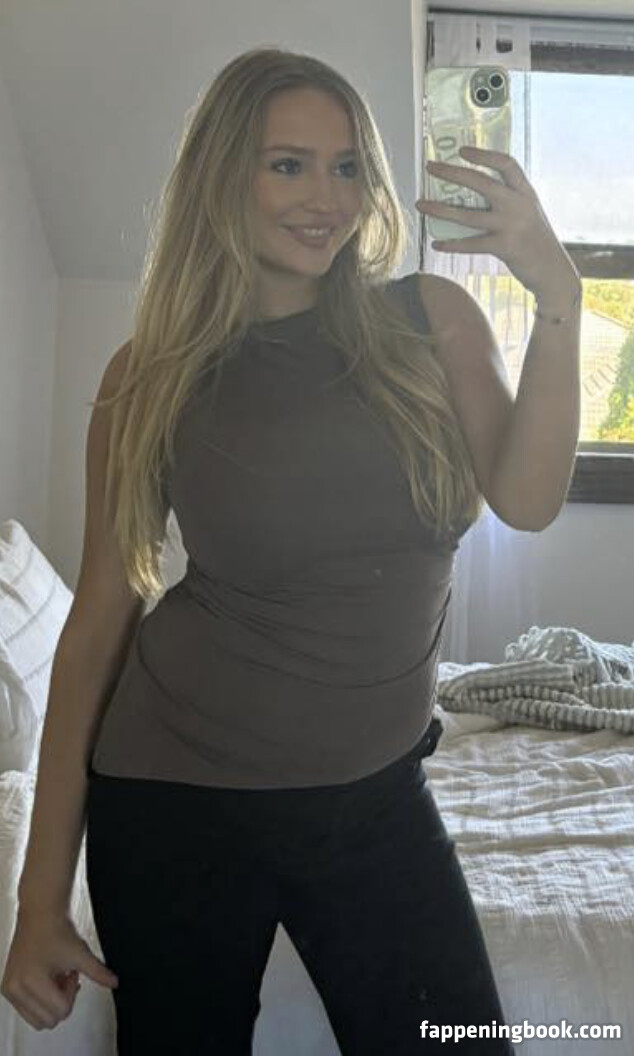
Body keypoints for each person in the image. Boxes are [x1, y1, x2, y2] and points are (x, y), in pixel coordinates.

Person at [1, 46, 519, 1054]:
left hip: (378, 793)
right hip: (175, 799)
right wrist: (38, 898)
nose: (326, 198)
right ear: (222, 176)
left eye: (346, 166)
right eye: (287, 164)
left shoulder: (421, 323)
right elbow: (100, 619)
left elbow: (520, 487)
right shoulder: (150, 374)